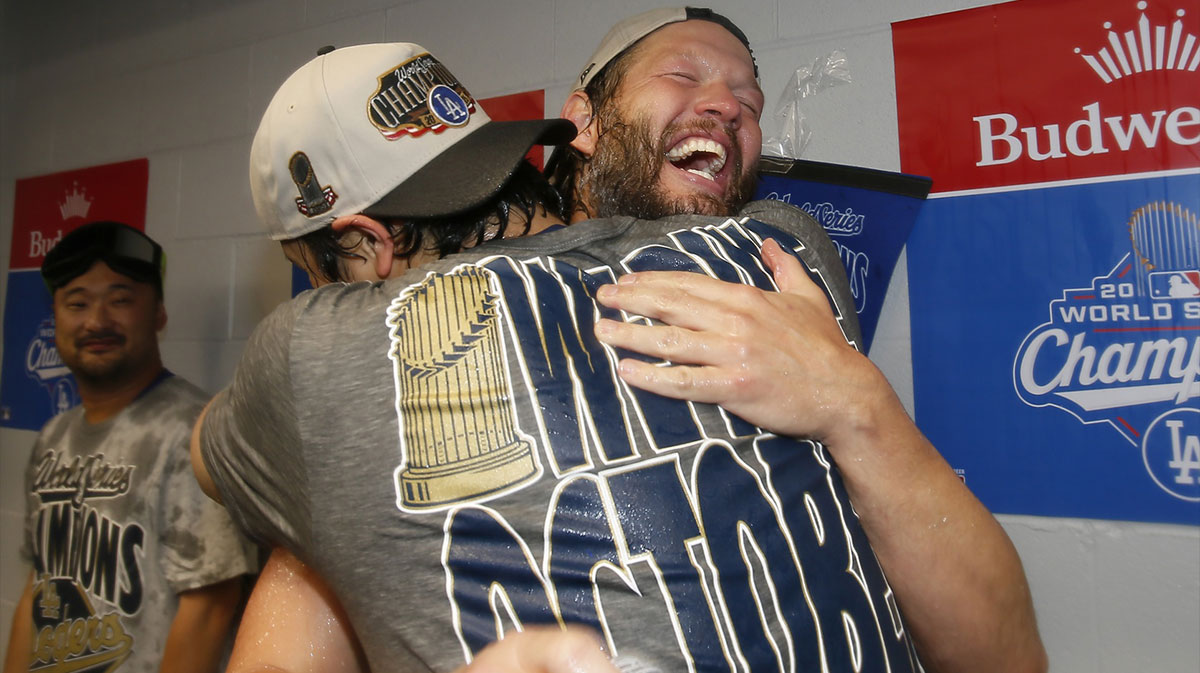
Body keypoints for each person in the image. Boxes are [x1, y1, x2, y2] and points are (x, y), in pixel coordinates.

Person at [192, 39, 919, 673]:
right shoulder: (773, 249)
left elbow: (203, 453)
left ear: (371, 246)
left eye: (314, 274)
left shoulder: (315, 358)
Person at [548, 7, 1047, 672]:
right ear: (584, 119)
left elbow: (1004, 654)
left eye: (748, 100)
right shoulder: (487, 282)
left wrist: (853, 401)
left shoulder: (779, 261)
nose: (729, 105)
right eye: (682, 74)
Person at [3, 221, 258, 673]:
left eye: (120, 300)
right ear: (56, 318)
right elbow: (36, 590)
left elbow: (209, 610)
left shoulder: (195, 431)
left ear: (158, 312)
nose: (97, 321)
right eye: (77, 303)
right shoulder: (53, 437)